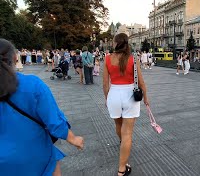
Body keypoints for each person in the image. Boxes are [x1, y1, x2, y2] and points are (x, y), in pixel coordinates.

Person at [0, 39, 84, 176]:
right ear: (15, 58)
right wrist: (73, 139)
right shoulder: (32, 85)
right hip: (34, 155)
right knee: (53, 162)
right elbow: (54, 121)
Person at [103, 33, 149, 176]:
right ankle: (122, 169)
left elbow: (105, 84)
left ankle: (123, 144)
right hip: (130, 95)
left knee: (118, 125)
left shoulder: (107, 59)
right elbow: (141, 82)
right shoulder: (133, 59)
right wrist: (146, 98)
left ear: (116, 43)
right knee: (128, 132)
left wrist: (107, 99)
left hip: (114, 94)